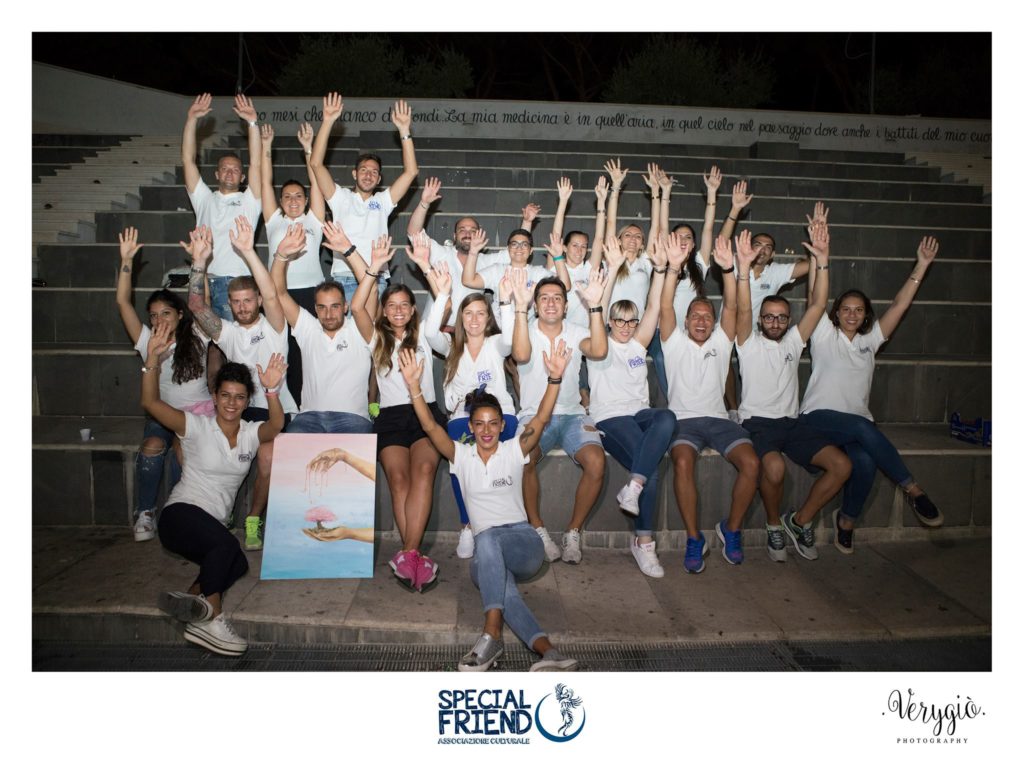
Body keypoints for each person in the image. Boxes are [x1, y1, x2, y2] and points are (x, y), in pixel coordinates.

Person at [397, 339, 579, 672]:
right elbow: (430, 426)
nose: (486, 430)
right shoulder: (461, 456)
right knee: (502, 588)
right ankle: (549, 652)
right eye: (479, 423)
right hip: (488, 554)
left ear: (501, 426)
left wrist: (555, 379)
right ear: (470, 427)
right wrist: (414, 388)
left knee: (487, 538)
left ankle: (490, 635)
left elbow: (541, 418)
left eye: (493, 423)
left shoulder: (513, 450)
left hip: (524, 544)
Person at [144, 319, 286, 657]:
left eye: (239, 397)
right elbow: (151, 403)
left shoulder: (250, 433)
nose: (232, 403)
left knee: (236, 563)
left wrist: (271, 392)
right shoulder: (195, 426)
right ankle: (214, 619)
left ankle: (194, 600)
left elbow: (276, 425)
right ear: (214, 396)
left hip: (211, 525)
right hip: (181, 516)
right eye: (225, 396)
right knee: (226, 547)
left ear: (247, 400)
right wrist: (151, 361)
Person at [799, 236, 944, 553]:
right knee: (862, 427)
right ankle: (913, 489)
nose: (852, 315)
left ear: (866, 315)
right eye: (846, 309)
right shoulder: (823, 334)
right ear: (836, 313)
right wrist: (821, 258)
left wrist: (921, 265)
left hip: (854, 426)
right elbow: (814, 297)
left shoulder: (870, 342)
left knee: (865, 461)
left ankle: (846, 521)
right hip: (817, 419)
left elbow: (899, 305)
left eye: (859, 310)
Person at [734, 225, 852, 561]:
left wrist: (822, 259)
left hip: (792, 423)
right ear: (760, 320)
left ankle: (799, 521)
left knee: (842, 465)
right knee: (774, 469)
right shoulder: (747, 342)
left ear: (788, 321)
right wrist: (743, 269)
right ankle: (774, 525)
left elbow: (818, 304)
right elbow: (743, 309)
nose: (775, 322)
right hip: (758, 423)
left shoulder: (794, 342)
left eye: (781, 318)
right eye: (769, 317)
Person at [188, 217, 299, 551]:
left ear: (258, 301)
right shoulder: (227, 333)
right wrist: (199, 261)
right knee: (211, 450)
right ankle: (219, 513)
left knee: (266, 458)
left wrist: (249, 252)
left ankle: (253, 519)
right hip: (238, 409)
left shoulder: (275, 326)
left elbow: (272, 293)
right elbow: (196, 306)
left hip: (274, 408)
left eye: (248, 300)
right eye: (236, 301)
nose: (242, 307)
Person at [660, 233, 760, 572]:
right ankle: (694, 538)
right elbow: (664, 306)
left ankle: (731, 529)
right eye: (695, 316)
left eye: (707, 316)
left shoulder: (721, 341)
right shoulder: (673, 342)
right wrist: (673, 268)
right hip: (684, 421)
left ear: (714, 323)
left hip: (719, 420)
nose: (701, 321)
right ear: (686, 321)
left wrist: (729, 269)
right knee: (682, 462)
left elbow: (732, 307)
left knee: (752, 463)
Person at [349, 236, 444, 592]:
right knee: (398, 480)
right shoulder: (377, 339)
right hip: (390, 417)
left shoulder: (426, 336)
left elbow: (443, 296)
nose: (399, 310)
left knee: (424, 471)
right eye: (392, 305)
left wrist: (426, 265)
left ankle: (407, 554)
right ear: (385, 311)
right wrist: (374, 268)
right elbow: (357, 308)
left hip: (424, 415)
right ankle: (413, 557)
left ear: (413, 309)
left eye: (405, 304)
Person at [587, 234, 675, 577]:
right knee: (650, 466)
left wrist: (661, 270)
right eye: (619, 320)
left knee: (667, 417)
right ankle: (644, 543)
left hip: (639, 414)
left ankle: (633, 487)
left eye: (631, 321)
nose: (626, 327)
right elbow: (603, 301)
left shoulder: (639, 344)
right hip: (611, 417)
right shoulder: (599, 343)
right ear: (610, 321)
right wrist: (612, 268)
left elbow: (653, 306)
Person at [116, 227, 211, 541]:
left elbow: (202, 301)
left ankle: (179, 510)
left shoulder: (197, 334)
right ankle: (145, 512)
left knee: (183, 452)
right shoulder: (147, 340)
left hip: (195, 414)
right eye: (154, 315)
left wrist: (199, 264)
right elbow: (123, 303)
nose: (159, 321)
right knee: (152, 447)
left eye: (166, 313)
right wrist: (126, 262)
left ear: (180, 315)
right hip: (161, 414)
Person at [422, 257, 518, 560]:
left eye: (480, 313)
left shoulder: (496, 344)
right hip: (463, 417)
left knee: (505, 458)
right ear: (460, 318)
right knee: (459, 460)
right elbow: (429, 334)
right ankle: (467, 525)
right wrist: (442, 295)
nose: (474, 319)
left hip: (500, 416)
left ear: (488, 319)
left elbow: (511, 339)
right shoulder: (451, 346)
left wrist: (505, 301)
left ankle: (504, 524)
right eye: (468, 313)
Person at [512, 272, 608, 564]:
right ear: (535, 305)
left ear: (566, 306)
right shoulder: (525, 328)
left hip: (572, 415)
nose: (551, 303)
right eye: (544, 298)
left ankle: (573, 532)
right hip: (534, 416)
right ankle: (538, 530)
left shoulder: (576, 331)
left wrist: (595, 306)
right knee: (522, 459)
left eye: (557, 298)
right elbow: (520, 355)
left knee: (597, 462)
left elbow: (599, 350)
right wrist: (520, 308)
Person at [309, 92, 418, 299]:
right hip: (344, 278)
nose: (368, 175)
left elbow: (411, 172)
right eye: (364, 170)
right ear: (354, 174)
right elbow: (316, 164)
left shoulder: (383, 201)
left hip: (377, 278)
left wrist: (404, 130)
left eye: (374, 172)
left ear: (379, 179)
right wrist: (328, 121)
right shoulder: (340, 197)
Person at [269, 221, 374, 436]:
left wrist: (348, 250)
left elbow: (371, 289)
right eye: (322, 308)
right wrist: (281, 255)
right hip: (309, 419)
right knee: (283, 453)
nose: (329, 314)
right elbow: (278, 293)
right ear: (315, 309)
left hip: (353, 420)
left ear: (345, 307)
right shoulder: (308, 328)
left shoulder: (359, 329)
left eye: (335, 306)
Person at [406, 175, 540, 323]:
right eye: (462, 230)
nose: (467, 234)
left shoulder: (487, 262)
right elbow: (414, 233)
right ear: (454, 236)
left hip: (471, 330)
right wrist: (424, 203)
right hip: (436, 329)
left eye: (472, 230)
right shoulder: (441, 253)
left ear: (479, 235)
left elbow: (517, 252)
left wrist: (527, 222)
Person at [259, 122, 327, 403]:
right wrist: (266, 147)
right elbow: (265, 183)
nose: (293, 200)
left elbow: (317, 182)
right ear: (280, 201)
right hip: (277, 294)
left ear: (306, 199)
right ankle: (287, 407)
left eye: (298, 196)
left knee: (308, 352)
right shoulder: (273, 220)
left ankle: (311, 403)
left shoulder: (314, 220)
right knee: (281, 350)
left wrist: (308, 148)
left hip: (311, 294)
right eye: (287, 196)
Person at [181, 93, 263, 321]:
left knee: (238, 340)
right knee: (210, 341)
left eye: (235, 170)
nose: (229, 173)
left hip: (240, 284)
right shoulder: (204, 198)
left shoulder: (250, 199)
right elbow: (188, 160)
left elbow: (257, 163)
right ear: (217, 174)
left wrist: (252, 123)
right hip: (207, 281)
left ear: (242, 177)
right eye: (225, 169)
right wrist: (191, 120)